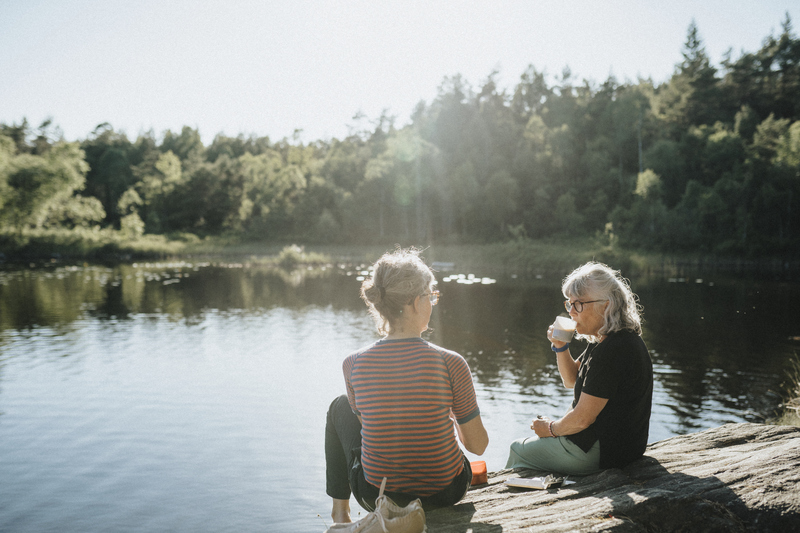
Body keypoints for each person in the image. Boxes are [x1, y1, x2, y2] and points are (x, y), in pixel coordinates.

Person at [325, 248, 489, 525]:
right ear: (415, 302)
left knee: (340, 406)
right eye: (430, 296)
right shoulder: (451, 362)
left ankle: (340, 515)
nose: (433, 303)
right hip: (445, 492)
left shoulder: (352, 363)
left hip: (375, 494)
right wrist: (450, 414)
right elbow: (478, 446)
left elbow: (371, 429)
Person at [506, 261, 653, 475]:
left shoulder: (613, 350)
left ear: (606, 305)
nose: (572, 312)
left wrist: (550, 429)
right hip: (622, 449)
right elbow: (572, 379)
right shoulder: (606, 340)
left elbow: (583, 418)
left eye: (579, 304)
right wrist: (560, 346)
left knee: (517, 450)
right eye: (569, 304)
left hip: (602, 453)